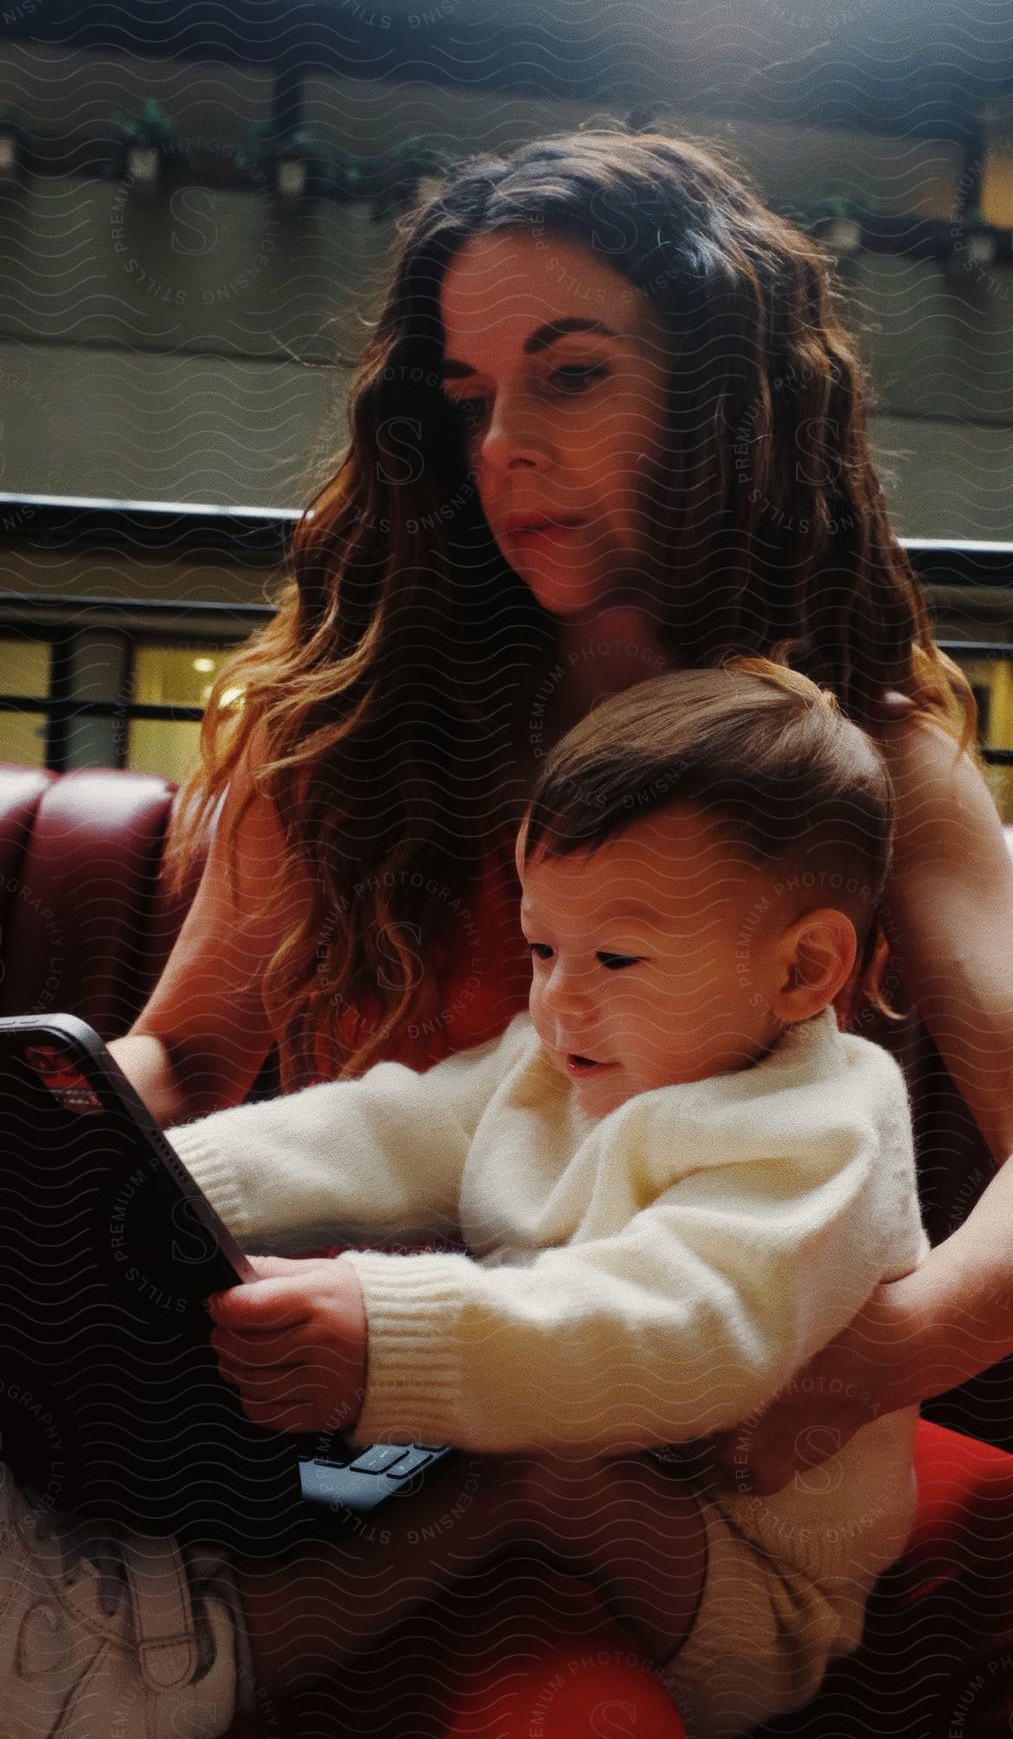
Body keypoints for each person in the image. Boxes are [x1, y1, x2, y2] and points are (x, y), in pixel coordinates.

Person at [82, 121, 1013, 1707]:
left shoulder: (863, 756)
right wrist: (62, 1163)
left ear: (729, 397)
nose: (501, 442)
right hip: (307, 1414)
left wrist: (835, 1373)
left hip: (646, 1432)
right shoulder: (352, 723)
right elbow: (174, 1057)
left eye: (568, 375)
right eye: (467, 399)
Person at [1, 660, 928, 1739]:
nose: (557, 998)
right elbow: (386, 1127)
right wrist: (151, 1190)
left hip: (734, 1581)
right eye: (541, 947)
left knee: (525, 1461)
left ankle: (168, 1648)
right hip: (594, 1442)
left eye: (615, 957)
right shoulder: (563, 1053)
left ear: (802, 969)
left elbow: (681, 1333)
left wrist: (390, 1335)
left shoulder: (820, 1129)